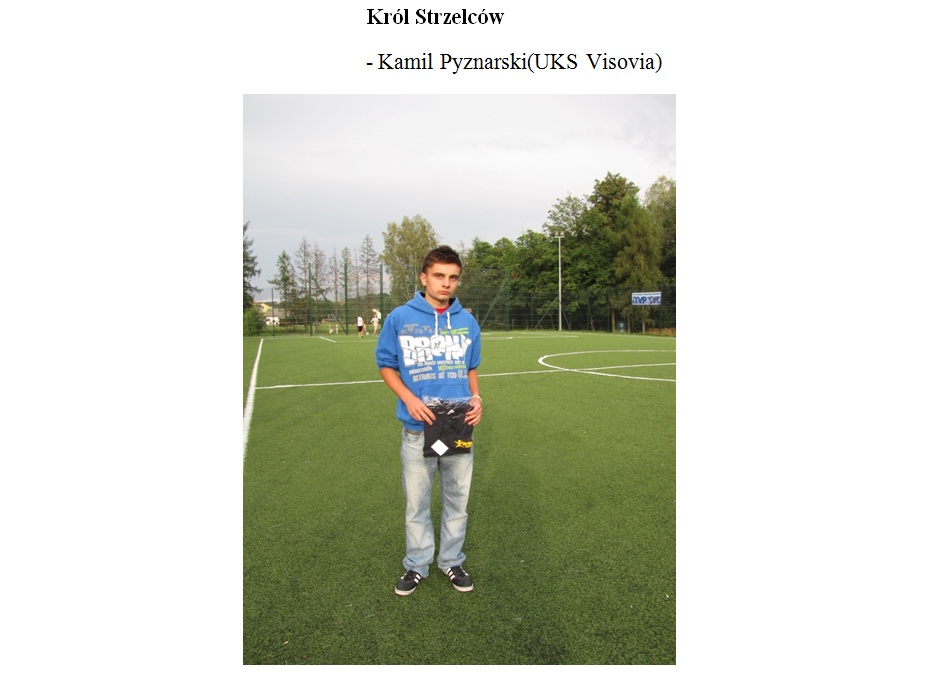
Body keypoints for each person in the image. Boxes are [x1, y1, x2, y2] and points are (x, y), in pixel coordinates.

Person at [375, 245, 483, 596]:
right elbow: (386, 365)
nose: (446, 283)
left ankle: (451, 560)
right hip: (417, 429)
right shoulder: (400, 318)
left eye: (453, 277)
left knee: (457, 503)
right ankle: (417, 564)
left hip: (458, 427)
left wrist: (477, 397)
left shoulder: (467, 322)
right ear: (424, 278)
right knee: (417, 504)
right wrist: (409, 398)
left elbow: (471, 368)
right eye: (439, 276)